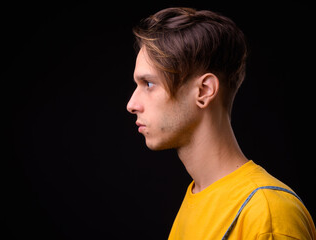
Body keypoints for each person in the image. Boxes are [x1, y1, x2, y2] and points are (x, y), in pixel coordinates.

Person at [126, 7, 316, 239]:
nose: (132, 104)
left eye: (149, 84)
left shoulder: (266, 214)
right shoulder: (197, 198)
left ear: (204, 91)